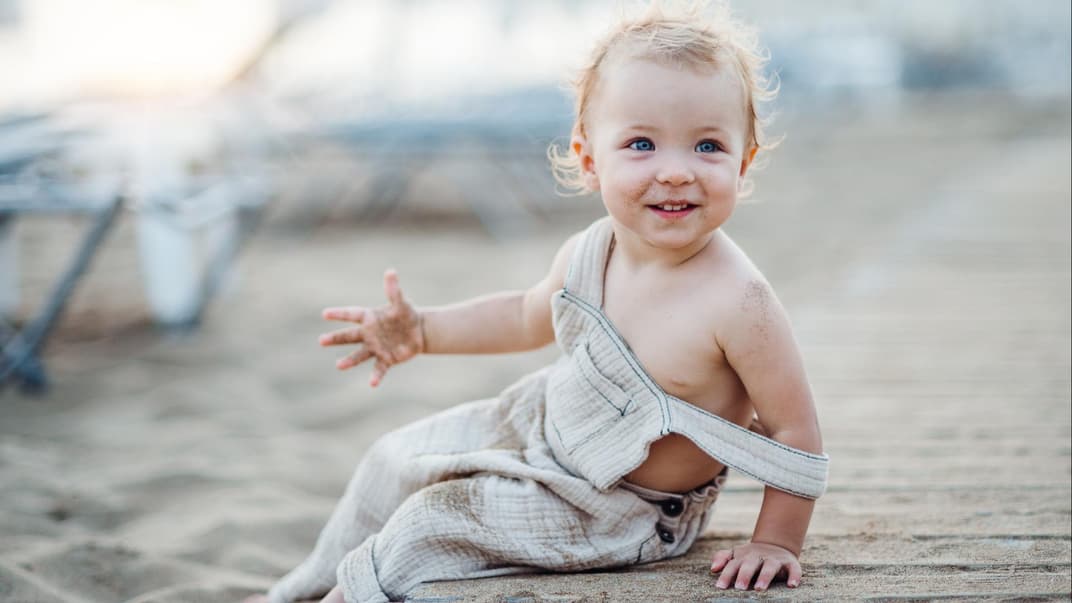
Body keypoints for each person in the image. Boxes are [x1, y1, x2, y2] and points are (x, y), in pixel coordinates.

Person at [249, 2, 828, 602]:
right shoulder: (591, 250)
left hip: (624, 509)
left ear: (745, 160)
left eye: (707, 147)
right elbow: (524, 315)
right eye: (641, 144)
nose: (676, 171)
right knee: (393, 460)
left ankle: (347, 596)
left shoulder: (742, 302)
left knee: (431, 524)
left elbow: (795, 430)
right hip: (541, 431)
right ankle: (295, 590)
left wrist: (777, 542)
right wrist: (423, 331)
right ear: (588, 159)